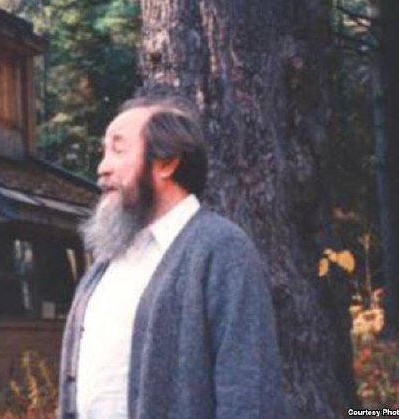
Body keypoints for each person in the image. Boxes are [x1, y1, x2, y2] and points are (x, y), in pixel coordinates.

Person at [58, 91, 289, 418]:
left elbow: (249, 395)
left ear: (167, 162)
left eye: (118, 150)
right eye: (103, 152)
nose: (102, 168)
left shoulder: (222, 249)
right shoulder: (108, 262)